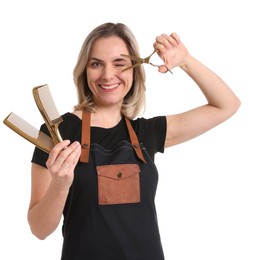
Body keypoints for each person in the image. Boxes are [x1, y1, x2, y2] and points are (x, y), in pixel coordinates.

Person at [28, 22, 240, 260]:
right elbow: (39, 229)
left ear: (134, 70)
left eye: (119, 63)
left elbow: (227, 105)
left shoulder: (147, 133)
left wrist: (185, 60)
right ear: (84, 71)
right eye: (96, 64)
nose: (108, 75)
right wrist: (59, 185)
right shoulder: (57, 132)